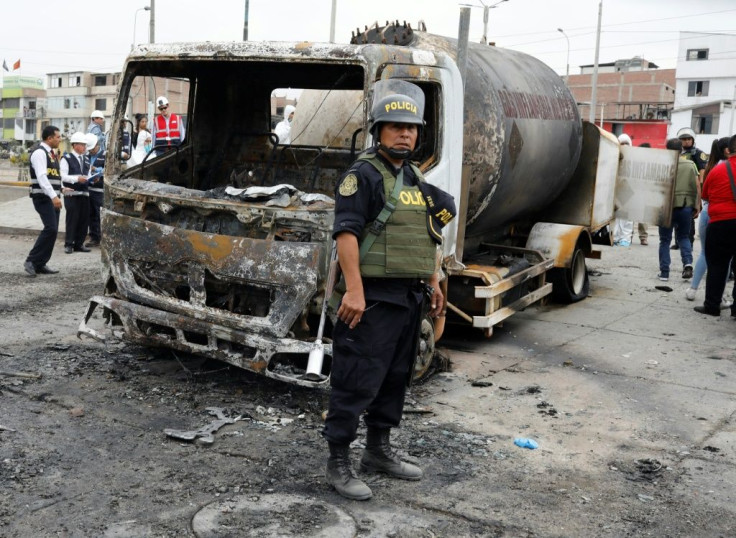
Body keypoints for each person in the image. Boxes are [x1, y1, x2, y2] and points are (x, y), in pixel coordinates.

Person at [322, 86, 456, 501]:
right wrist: (355, 291)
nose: (405, 135)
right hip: (372, 298)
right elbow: (346, 234)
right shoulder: (361, 176)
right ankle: (338, 462)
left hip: (409, 296)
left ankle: (378, 451)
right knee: (357, 379)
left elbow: (427, 234)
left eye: (412, 129)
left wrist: (433, 281)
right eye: (396, 128)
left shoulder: (414, 176)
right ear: (379, 131)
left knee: (395, 378)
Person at [685, 137, 733, 308]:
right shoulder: (728, 166)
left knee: (705, 253)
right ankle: (718, 299)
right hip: (725, 216)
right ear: (727, 150)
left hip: (709, 212)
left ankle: (693, 289)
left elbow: (704, 193)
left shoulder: (711, 165)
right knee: (724, 260)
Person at [23, 125, 63, 277]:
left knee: (53, 231)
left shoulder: (51, 154)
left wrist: (63, 189)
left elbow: (54, 176)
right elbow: (41, 177)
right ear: (49, 138)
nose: (60, 139)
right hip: (43, 197)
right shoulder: (39, 153)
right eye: (58, 137)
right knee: (50, 228)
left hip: (53, 196)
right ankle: (31, 260)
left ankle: (40, 263)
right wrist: (53, 196)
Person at [658, 138, 699, 282]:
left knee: (664, 240)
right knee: (683, 237)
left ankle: (664, 273)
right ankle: (687, 263)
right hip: (685, 207)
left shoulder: (662, 165)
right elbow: (697, 186)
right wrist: (697, 206)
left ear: (667, 149)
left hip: (666, 207)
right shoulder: (690, 165)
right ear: (681, 149)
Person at [672, 127, 707, 250]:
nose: (686, 141)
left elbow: (702, 172)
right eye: (683, 139)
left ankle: (689, 242)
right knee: (676, 217)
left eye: (688, 139)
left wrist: (700, 189)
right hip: (678, 188)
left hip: (691, 189)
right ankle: (678, 242)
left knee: (689, 218)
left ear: (692, 140)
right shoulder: (677, 153)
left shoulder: (698, 153)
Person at [60, 132, 91, 254]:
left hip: (84, 193)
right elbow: (62, 176)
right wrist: (77, 179)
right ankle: (69, 244)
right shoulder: (66, 158)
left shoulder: (86, 159)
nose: (84, 147)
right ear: (75, 145)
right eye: (83, 145)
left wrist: (93, 178)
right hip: (72, 194)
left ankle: (79, 243)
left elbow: (87, 175)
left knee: (84, 219)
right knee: (72, 219)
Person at [612, 133, 634, 246]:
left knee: (628, 217)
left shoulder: (635, 158)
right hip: (617, 190)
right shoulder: (614, 156)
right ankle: (615, 237)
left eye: (626, 143)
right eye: (622, 143)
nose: (624, 145)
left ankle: (625, 238)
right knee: (616, 215)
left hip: (629, 191)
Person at [85, 133, 106, 248]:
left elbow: (108, 170)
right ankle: (94, 237)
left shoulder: (105, 155)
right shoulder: (87, 156)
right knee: (90, 214)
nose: (91, 151)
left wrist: (95, 169)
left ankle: (102, 237)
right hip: (89, 189)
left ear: (97, 145)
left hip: (99, 190)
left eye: (92, 149)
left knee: (99, 214)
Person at [637, 142, 652, 245]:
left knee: (643, 216)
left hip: (645, 191)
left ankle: (643, 237)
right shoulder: (635, 160)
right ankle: (626, 236)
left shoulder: (651, 163)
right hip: (634, 190)